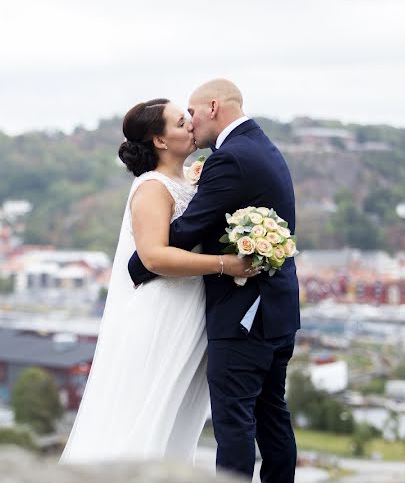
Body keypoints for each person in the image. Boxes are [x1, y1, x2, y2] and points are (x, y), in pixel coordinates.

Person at [128, 80, 300, 483]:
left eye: (191, 112)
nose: (189, 122)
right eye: (180, 118)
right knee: (271, 416)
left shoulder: (231, 158)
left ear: (213, 107)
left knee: (234, 422)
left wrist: (139, 262)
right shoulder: (260, 146)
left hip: (244, 315)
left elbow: (188, 230)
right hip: (275, 310)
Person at [60, 98, 258, 464]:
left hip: (189, 310)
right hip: (162, 313)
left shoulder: (187, 181)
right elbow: (153, 256)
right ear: (160, 142)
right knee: (145, 412)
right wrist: (224, 264)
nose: (191, 125)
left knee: (175, 415)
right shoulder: (152, 187)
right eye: (181, 123)